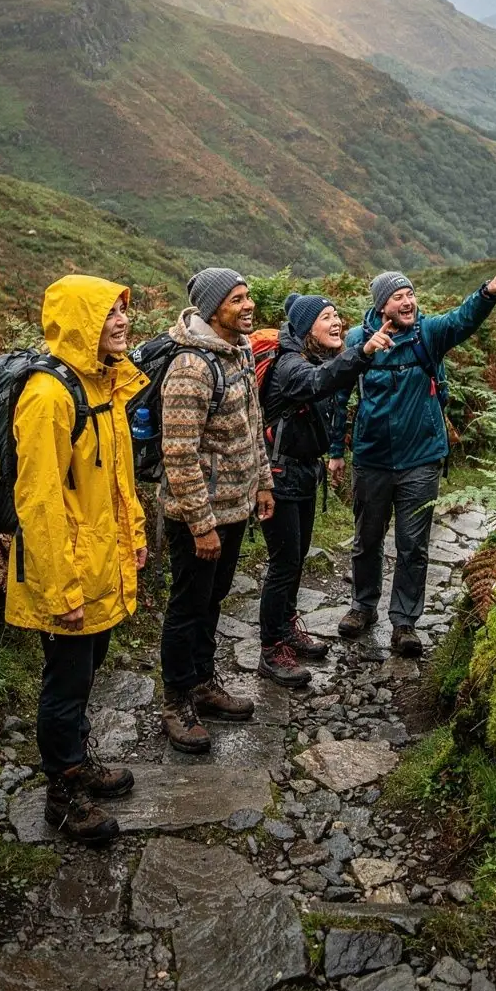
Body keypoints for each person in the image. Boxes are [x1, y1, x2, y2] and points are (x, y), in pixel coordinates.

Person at [6, 275, 149, 845]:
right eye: (108, 314)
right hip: (67, 569)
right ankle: (62, 797)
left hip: (103, 559)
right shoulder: (49, 397)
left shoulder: (104, 385)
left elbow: (119, 480)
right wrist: (61, 588)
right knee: (65, 684)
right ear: (78, 323)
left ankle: (76, 762)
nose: (121, 323)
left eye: (122, 312)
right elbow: (39, 502)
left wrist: (135, 534)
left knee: (85, 673)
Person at [329, 267, 496, 656]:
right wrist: (335, 452)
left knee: (413, 545)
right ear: (382, 305)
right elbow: (339, 396)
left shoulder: (427, 335)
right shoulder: (357, 339)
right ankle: (363, 607)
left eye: (410, 294)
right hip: (372, 457)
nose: (408, 301)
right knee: (367, 539)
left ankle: (404, 622)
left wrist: (487, 293)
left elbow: (461, 320)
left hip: (421, 458)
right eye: (398, 296)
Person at [159, 267, 275, 753]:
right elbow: (179, 453)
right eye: (236, 299)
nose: (247, 306)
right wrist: (201, 525)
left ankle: (203, 682)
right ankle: (177, 699)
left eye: (247, 296)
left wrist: (263, 483)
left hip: (234, 508)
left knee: (212, 601)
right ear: (212, 310)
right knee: (187, 606)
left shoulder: (240, 352)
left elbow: (253, 424)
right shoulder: (191, 367)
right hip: (198, 517)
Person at [257, 292, 396, 687]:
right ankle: (270, 649)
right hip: (278, 477)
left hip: (300, 475)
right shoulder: (290, 366)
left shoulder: (313, 358)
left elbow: (331, 375)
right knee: (283, 565)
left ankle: (286, 630)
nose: (336, 322)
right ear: (305, 330)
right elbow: (321, 382)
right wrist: (364, 352)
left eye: (337, 315)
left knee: (295, 559)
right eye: (325, 317)